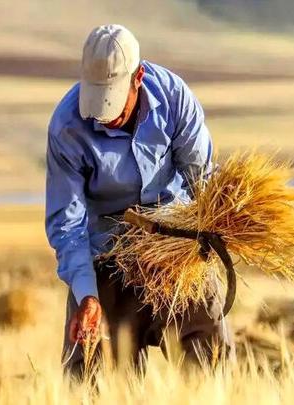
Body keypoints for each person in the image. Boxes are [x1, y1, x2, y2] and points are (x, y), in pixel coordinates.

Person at [45, 24, 233, 378]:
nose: (105, 114)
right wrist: (87, 295)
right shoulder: (66, 127)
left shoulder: (174, 97)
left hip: (176, 248)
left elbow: (201, 181)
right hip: (107, 253)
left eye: (114, 99)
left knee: (212, 365)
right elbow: (67, 224)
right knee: (92, 377)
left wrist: (211, 234)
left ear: (138, 78)